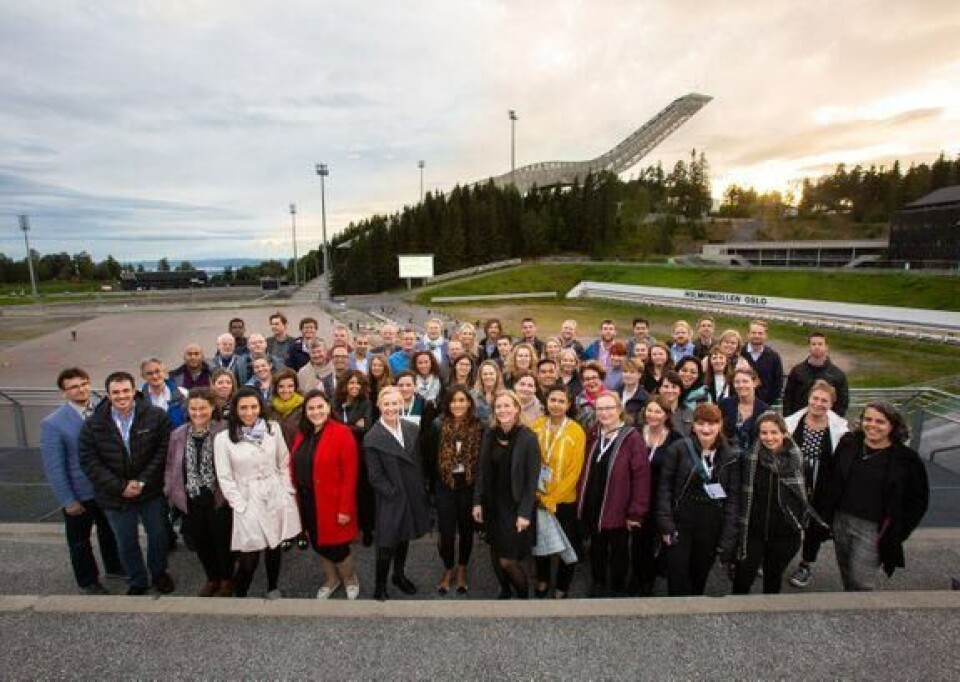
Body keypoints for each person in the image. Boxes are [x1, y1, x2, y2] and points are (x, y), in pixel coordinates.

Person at [78, 371, 174, 596]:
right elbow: (89, 460)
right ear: (108, 394)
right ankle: (137, 579)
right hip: (114, 495)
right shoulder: (94, 424)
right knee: (125, 540)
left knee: (158, 535)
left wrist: (142, 481)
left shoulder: (156, 416)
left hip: (150, 490)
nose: (121, 396)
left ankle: (159, 573)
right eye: (116, 392)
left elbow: (164, 451)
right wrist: (120, 486)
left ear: (134, 391)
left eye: (125, 391)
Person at [818, 403, 929, 591]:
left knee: (860, 580)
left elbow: (917, 501)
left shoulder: (906, 459)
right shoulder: (849, 443)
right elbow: (830, 477)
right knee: (846, 570)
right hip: (841, 520)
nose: (872, 425)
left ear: (892, 426)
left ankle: (860, 607)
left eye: (880, 421)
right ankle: (849, 601)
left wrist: (898, 532)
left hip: (873, 528)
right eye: (868, 419)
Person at [41, 367, 124, 595]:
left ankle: (115, 567)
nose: (81, 389)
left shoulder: (105, 409)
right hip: (79, 492)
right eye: (74, 387)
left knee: (110, 531)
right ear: (64, 392)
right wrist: (68, 500)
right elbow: (54, 467)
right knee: (80, 541)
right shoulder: (53, 423)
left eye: (84, 384)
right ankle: (88, 581)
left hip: (107, 488)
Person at [214, 387, 302, 599]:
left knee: (274, 545)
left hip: (274, 492)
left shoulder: (273, 429)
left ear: (260, 407)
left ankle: (272, 587)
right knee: (250, 554)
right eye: (243, 408)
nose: (249, 412)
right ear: (235, 410)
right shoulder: (224, 438)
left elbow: (283, 461)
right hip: (247, 497)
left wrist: (286, 491)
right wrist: (239, 504)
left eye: (253, 407)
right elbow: (225, 477)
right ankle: (240, 594)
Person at [732, 412, 825, 595]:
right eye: (764, 433)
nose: (769, 438)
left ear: (784, 433)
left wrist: (798, 524)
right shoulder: (749, 459)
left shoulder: (798, 461)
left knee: (773, 578)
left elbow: (804, 497)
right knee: (743, 577)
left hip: (785, 533)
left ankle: (770, 611)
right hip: (753, 532)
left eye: (774, 432)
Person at [657, 403, 740, 596]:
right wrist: (666, 524)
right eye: (701, 423)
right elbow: (665, 488)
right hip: (681, 520)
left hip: (711, 524)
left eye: (712, 424)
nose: (706, 429)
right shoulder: (678, 449)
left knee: (699, 575)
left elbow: (733, 499)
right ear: (693, 425)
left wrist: (728, 536)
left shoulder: (730, 455)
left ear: (720, 425)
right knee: (677, 575)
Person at [576, 392, 650, 596]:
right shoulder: (593, 433)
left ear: (619, 410)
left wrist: (636, 512)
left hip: (619, 504)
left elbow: (641, 477)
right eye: (600, 409)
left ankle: (617, 586)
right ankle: (598, 581)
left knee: (619, 549)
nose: (604, 413)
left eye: (609, 408)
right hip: (594, 501)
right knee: (597, 546)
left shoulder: (632, 438)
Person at [290, 390, 361, 600]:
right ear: (305, 412)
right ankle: (332, 579)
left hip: (332, 502)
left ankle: (350, 579)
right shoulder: (302, 434)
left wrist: (345, 509)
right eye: (311, 408)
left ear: (329, 407)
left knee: (337, 548)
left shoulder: (342, 432)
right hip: (308, 501)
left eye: (320, 407)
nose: (316, 412)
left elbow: (350, 475)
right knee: (319, 543)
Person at [363, 386, 431, 600]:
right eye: (386, 404)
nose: (391, 408)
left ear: (401, 404)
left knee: (404, 538)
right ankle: (380, 585)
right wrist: (392, 492)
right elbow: (375, 476)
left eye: (395, 403)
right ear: (379, 406)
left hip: (411, 493)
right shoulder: (372, 437)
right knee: (386, 543)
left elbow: (418, 461)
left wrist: (420, 487)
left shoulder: (411, 428)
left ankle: (398, 576)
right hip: (390, 498)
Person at [164, 388, 233, 597]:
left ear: (212, 407)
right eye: (193, 409)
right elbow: (170, 465)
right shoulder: (178, 434)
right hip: (191, 498)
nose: (197, 413)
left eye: (202, 408)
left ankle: (226, 579)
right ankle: (212, 578)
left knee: (222, 541)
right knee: (201, 542)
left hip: (218, 498)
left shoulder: (225, 430)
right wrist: (170, 488)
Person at [472, 390, 540, 599]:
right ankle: (505, 590)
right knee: (495, 550)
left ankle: (523, 596)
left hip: (515, 506)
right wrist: (477, 502)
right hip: (492, 503)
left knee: (508, 560)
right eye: (498, 406)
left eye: (507, 405)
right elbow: (482, 471)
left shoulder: (528, 438)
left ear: (517, 408)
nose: (502, 410)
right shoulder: (490, 434)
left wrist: (525, 513)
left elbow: (532, 481)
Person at [785, 380, 850, 589]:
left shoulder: (839, 429)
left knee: (814, 527)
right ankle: (777, 555)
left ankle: (806, 564)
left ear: (831, 404)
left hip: (822, 486)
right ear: (809, 398)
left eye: (824, 400)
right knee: (786, 520)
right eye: (815, 398)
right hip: (794, 482)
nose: (818, 403)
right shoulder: (792, 422)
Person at [425, 386, 483, 595]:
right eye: (453, 401)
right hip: (445, 484)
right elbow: (430, 457)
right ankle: (448, 567)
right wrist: (432, 487)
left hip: (469, 484)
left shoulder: (479, 426)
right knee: (447, 532)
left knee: (467, 530)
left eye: (462, 400)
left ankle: (462, 568)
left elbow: (482, 460)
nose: (457, 405)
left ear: (469, 403)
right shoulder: (437, 425)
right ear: (447, 404)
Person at [531, 386, 586, 599]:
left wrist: (552, 498)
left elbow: (574, 472)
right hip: (538, 496)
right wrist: (539, 496)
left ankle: (563, 585)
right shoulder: (536, 426)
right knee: (541, 541)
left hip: (563, 500)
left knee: (567, 544)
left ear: (569, 404)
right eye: (552, 400)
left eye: (561, 401)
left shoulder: (576, 432)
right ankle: (543, 579)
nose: (556, 404)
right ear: (546, 402)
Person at [630, 395, 681, 596]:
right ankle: (636, 576)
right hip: (636, 495)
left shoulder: (675, 439)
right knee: (637, 539)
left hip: (660, 496)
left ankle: (649, 578)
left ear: (666, 415)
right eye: (649, 410)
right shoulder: (635, 433)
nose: (652, 415)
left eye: (658, 411)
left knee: (655, 539)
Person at [333, 370, 375, 547]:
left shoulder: (365, 403)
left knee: (364, 494)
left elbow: (366, 428)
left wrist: (343, 427)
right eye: (351, 382)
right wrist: (352, 426)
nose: (355, 386)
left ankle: (367, 530)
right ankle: (349, 528)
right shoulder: (334, 403)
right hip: (339, 455)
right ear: (344, 385)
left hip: (360, 455)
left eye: (358, 383)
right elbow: (331, 427)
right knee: (345, 493)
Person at [783, 332, 850, 417]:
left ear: (826, 347)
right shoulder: (797, 371)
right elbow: (788, 398)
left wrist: (834, 421)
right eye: (813, 344)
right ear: (809, 347)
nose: (817, 347)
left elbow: (842, 403)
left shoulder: (837, 375)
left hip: (826, 421)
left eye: (820, 344)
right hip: (799, 419)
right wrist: (789, 419)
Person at [718, 367, 769, 453]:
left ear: (755, 383)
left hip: (755, 456)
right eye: (737, 382)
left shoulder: (765, 410)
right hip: (727, 455)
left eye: (745, 381)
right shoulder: (724, 404)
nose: (741, 385)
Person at [740, 319, 784, 406]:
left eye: (760, 333)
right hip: (739, 403)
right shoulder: (739, 353)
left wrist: (767, 403)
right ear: (748, 334)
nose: (757, 336)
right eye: (753, 333)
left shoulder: (773, 357)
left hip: (764, 405)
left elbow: (778, 383)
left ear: (766, 335)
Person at [140, 357, 188, 428]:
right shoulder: (138, 398)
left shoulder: (183, 393)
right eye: (149, 373)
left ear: (164, 371)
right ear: (143, 376)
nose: (155, 376)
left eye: (157, 371)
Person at [269, 368, 304, 447]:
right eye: (281, 386)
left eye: (290, 386)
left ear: (295, 387)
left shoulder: (304, 407)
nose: (286, 390)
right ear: (276, 388)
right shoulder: (269, 409)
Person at [657, 371, 693, 438]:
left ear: (680, 390)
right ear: (659, 389)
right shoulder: (652, 411)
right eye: (666, 386)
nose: (670, 390)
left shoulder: (689, 413)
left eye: (674, 387)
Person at [575, 361, 607, 434]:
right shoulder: (577, 402)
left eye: (594, 378)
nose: (591, 382)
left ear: (601, 379)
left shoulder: (612, 399)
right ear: (582, 382)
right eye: (587, 379)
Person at [471, 359, 505, 424]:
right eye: (485, 374)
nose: (488, 376)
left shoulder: (504, 395)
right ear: (480, 376)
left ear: (497, 375)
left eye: (491, 374)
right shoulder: (472, 394)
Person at [619, 359, 650, 426]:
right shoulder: (615, 393)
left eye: (632, 372)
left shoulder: (645, 398)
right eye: (625, 371)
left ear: (639, 375)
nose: (628, 375)